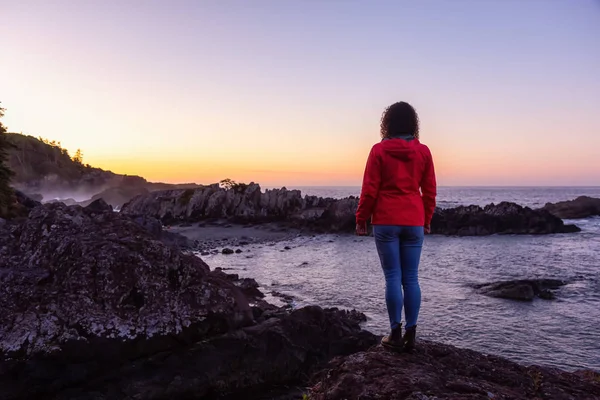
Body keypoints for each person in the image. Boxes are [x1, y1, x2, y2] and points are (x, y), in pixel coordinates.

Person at [355, 101, 436, 352]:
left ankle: (394, 333)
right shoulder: (423, 151)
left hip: (385, 219)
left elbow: (369, 190)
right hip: (413, 219)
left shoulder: (378, 151)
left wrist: (361, 219)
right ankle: (411, 334)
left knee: (392, 277)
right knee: (410, 278)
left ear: (387, 123)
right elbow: (430, 191)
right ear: (413, 124)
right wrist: (427, 220)